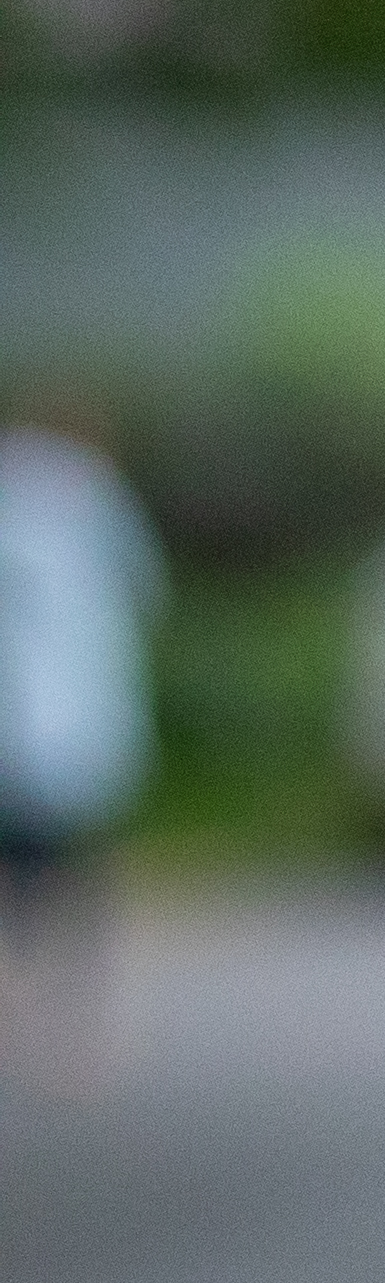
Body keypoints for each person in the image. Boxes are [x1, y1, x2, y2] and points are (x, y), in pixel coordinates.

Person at [0, 393, 166, 1053]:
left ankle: (35, 994)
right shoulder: (91, 495)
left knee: (36, 867)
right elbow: (147, 592)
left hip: (47, 723)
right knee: (82, 871)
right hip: (76, 725)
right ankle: (73, 1014)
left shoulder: (50, 494)